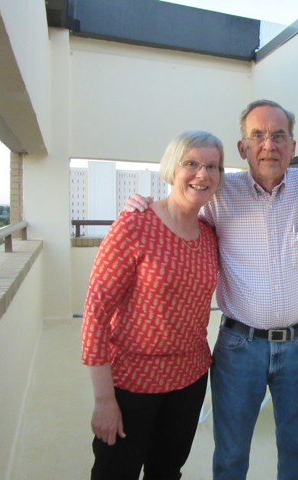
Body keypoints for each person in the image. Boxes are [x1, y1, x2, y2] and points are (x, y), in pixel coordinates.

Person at [124, 100, 298, 480]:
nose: (268, 145)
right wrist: (142, 204)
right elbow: (178, 208)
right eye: (257, 136)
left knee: (297, 451)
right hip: (239, 347)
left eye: (278, 136)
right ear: (243, 148)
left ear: (292, 146)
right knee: (231, 453)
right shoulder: (219, 193)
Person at [81, 130, 224, 480]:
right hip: (133, 384)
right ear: (172, 168)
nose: (202, 174)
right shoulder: (133, 225)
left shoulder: (209, 234)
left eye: (212, 166)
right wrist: (103, 401)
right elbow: (95, 316)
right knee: (116, 473)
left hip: (189, 381)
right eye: (191, 163)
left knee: (166, 472)